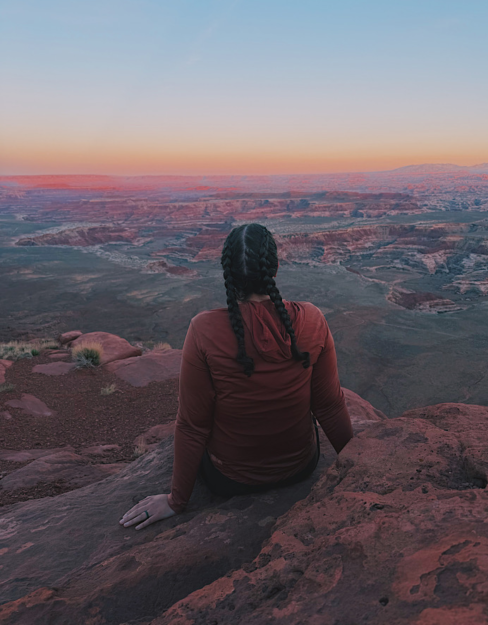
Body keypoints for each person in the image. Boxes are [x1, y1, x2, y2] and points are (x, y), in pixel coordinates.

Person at [120, 223, 353, 530]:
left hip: (230, 480)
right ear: (276, 266)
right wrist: (356, 467)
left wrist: (177, 501)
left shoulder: (203, 329)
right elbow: (329, 406)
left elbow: (193, 425)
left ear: (226, 270)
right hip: (300, 468)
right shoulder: (312, 318)